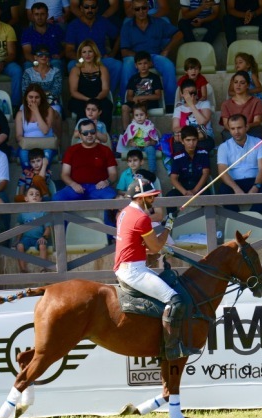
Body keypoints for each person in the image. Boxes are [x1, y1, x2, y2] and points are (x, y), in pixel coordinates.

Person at [114, 177, 199, 361]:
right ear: (140, 197)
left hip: (127, 266)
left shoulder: (123, 213)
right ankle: (172, 348)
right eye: (150, 197)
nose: (154, 200)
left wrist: (152, 248)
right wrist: (168, 226)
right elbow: (155, 248)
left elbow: (134, 243)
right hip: (134, 272)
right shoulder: (141, 218)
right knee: (175, 300)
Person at [119, 0, 181, 108]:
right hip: (135, 57)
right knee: (127, 65)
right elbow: (124, 51)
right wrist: (142, 60)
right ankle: (126, 103)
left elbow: (179, 34)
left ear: (148, 8)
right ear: (133, 11)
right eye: (137, 9)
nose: (141, 11)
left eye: (143, 8)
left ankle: (171, 105)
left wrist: (166, 50)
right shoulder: (127, 26)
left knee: (168, 65)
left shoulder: (158, 22)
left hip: (154, 56)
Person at [216, 113, 262, 213]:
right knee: (223, 192)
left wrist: (256, 187)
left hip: (255, 180)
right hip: (234, 182)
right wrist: (236, 188)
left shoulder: (258, 142)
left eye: (239, 128)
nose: (236, 132)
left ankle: (250, 218)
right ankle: (239, 220)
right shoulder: (223, 147)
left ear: (246, 127)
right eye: (232, 128)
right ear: (229, 129)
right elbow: (222, 171)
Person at [64, 0, 121, 94]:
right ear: (81, 8)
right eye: (86, 7)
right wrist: (83, 59)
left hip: (101, 59)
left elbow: (118, 36)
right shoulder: (73, 25)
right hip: (82, 60)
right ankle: (81, 94)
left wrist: (112, 53)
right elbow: (68, 51)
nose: (90, 10)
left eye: (93, 7)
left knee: (117, 65)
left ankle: (107, 94)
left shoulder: (103, 21)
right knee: (71, 65)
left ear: (97, 9)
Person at [53, 119, 117, 202]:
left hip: (98, 188)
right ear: (80, 135)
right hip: (76, 187)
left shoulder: (105, 150)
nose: (89, 135)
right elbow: (64, 174)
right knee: (56, 198)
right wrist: (73, 184)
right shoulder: (71, 150)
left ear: (96, 132)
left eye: (92, 132)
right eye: (85, 133)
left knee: (113, 198)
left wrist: (107, 182)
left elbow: (113, 174)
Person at [68, 39, 113, 132]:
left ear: (95, 53)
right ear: (80, 54)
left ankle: (105, 137)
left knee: (107, 107)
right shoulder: (75, 70)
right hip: (80, 99)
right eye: (84, 52)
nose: (87, 55)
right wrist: (88, 100)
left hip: (99, 98)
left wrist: (96, 99)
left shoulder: (103, 69)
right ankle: (82, 138)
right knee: (83, 110)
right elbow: (73, 92)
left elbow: (105, 89)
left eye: (90, 51)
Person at [165, 125, 210, 215]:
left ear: (197, 140)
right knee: (169, 197)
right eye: (188, 140)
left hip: (200, 188)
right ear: (182, 141)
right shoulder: (177, 157)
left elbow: (206, 173)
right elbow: (173, 178)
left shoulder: (203, 153)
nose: (191, 143)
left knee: (208, 197)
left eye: (194, 140)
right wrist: (185, 192)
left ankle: (208, 224)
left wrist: (195, 191)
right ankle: (170, 225)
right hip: (183, 188)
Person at [21, 43, 63, 135]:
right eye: (40, 54)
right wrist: (42, 96)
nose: (44, 56)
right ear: (35, 57)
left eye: (46, 55)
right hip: (31, 103)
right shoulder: (28, 72)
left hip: (51, 104)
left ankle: (56, 140)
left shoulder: (56, 72)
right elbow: (25, 92)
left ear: (49, 57)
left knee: (56, 112)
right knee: (22, 111)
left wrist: (38, 97)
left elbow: (56, 91)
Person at [15, 83, 57, 170]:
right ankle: (29, 179)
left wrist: (36, 111)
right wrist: (24, 142)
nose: (33, 100)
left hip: (46, 145)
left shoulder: (49, 110)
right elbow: (18, 135)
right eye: (30, 97)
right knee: (23, 155)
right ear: (26, 98)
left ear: (41, 99)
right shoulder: (20, 114)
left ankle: (42, 179)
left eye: (37, 97)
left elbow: (45, 131)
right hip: (28, 145)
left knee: (45, 159)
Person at [121, 51, 163, 130]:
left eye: (145, 63)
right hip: (136, 102)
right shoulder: (133, 78)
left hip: (150, 103)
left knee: (141, 109)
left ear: (150, 64)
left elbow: (158, 95)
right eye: (140, 64)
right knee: (124, 107)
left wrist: (143, 97)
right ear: (136, 65)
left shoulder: (155, 77)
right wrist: (134, 99)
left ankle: (144, 132)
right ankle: (126, 132)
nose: (143, 66)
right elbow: (129, 96)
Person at [221, 70, 262, 140]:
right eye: (235, 82)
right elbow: (226, 124)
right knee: (227, 134)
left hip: (250, 129)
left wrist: (247, 126)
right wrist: (236, 131)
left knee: (257, 131)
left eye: (242, 83)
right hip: (233, 132)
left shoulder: (256, 102)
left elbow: (257, 121)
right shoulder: (226, 104)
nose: (238, 85)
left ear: (248, 85)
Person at [172, 79, 214, 153]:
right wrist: (191, 131)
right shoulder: (178, 109)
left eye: (193, 93)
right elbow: (175, 128)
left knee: (202, 146)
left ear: (197, 92)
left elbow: (203, 122)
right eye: (187, 93)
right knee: (178, 147)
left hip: (203, 137)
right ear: (182, 94)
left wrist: (191, 105)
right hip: (186, 139)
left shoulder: (204, 104)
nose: (191, 96)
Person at [16, 186, 52, 273]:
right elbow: (19, 228)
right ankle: (23, 269)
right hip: (26, 239)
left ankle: (43, 268)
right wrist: (17, 240)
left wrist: (44, 237)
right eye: (31, 194)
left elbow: (47, 228)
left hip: (39, 238)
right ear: (26, 198)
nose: (34, 196)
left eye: (37, 194)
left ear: (40, 199)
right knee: (19, 246)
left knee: (42, 245)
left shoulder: (43, 213)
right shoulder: (23, 214)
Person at [21, 2, 65, 72]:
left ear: (47, 15)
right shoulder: (27, 32)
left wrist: (60, 55)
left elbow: (66, 47)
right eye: (36, 14)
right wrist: (38, 63)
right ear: (32, 16)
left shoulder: (56, 29)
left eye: (42, 14)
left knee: (56, 63)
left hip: (53, 60)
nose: (39, 17)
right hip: (34, 61)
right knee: (28, 66)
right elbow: (27, 53)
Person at [119, 103, 159, 172]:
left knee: (151, 150)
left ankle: (152, 171)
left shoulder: (149, 125)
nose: (139, 117)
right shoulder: (131, 126)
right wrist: (132, 143)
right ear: (133, 117)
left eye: (141, 115)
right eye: (136, 115)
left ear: (146, 116)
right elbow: (130, 139)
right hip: (136, 146)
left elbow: (154, 140)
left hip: (146, 146)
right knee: (133, 152)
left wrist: (150, 143)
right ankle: (136, 171)